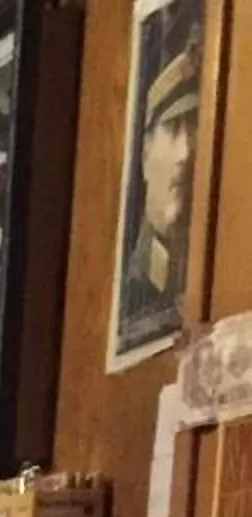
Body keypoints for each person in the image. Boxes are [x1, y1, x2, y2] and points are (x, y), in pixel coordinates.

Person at [119, 28, 200, 357]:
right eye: (173, 128)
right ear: (145, 151)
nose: (185, 153)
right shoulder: (131, 293)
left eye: (194, 129)